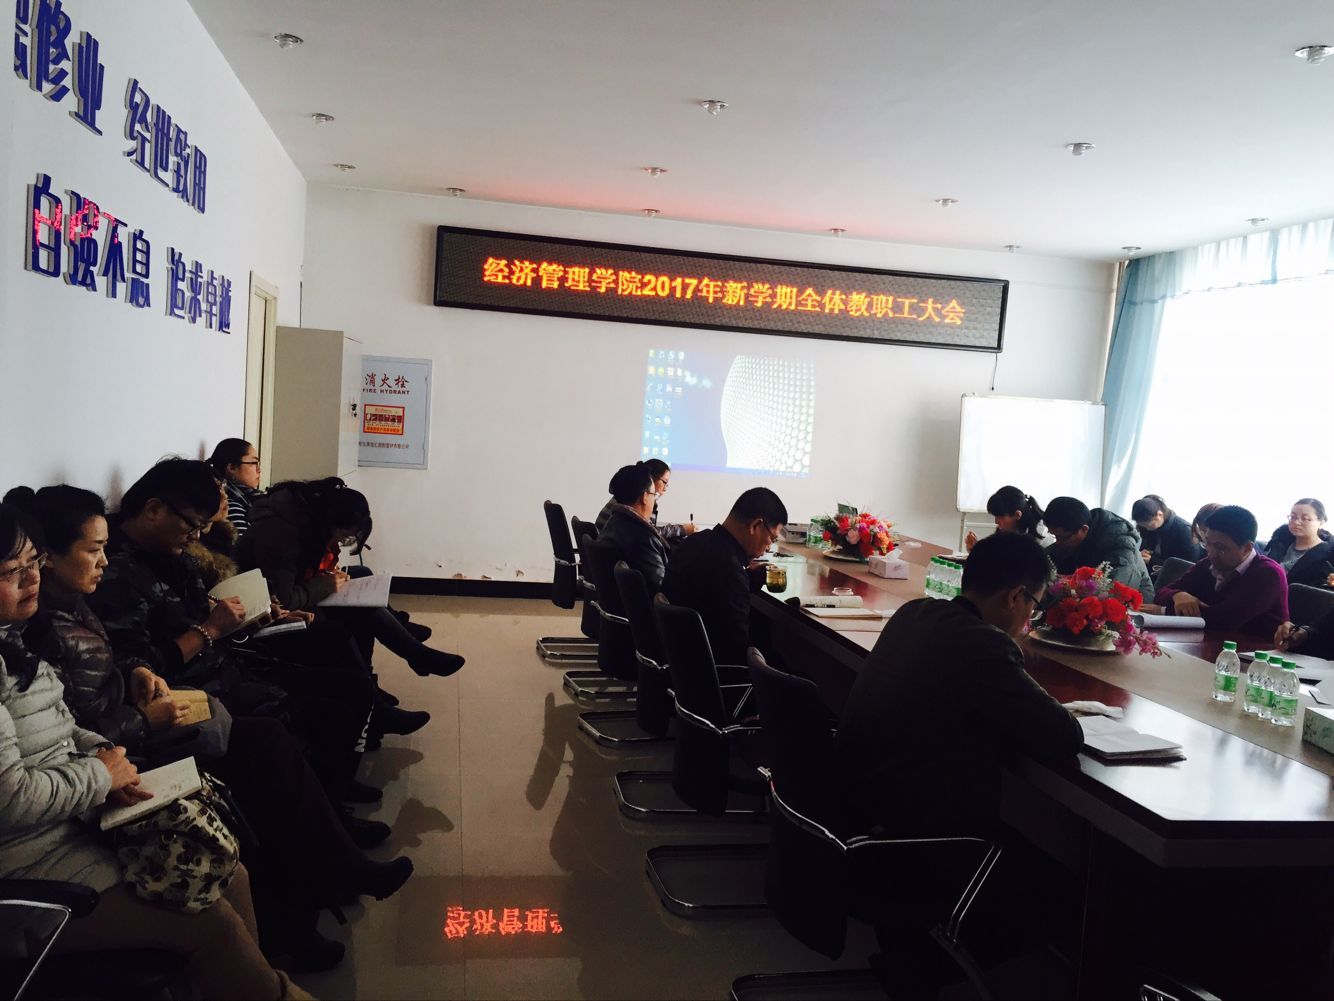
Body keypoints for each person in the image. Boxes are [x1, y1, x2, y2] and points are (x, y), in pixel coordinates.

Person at [13, 484, 412, 971]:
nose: (103, 561)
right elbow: (66, 733)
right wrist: (150, 704)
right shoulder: (55, 621)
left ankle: (328, 869)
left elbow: (109, 673)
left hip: (146, 719)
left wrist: (138, 671)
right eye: (17, 571)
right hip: (120, 753)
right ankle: (301, 909)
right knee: (259, 752)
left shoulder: (76, 604)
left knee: (290, 715)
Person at [0, 503, 312, 1001]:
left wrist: (108, 756)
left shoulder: (18, 640)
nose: (31, 579)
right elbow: (9, 797)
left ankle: (249, 977)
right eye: (11, 572)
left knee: (228, 870)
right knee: (209, 922)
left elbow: (64, 727)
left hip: (78, 821)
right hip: (32, 877)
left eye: (32, 563)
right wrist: (103, 773)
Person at [85, 460, 379, 803]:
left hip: (232, 665)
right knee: (331, 709)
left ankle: (336, 790)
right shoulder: (115, 573)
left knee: (352, 683)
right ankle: (329, 802)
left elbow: (203, 611)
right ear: (154, 510)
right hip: (200, 691)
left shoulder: (174, 554)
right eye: (193, 525)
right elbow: (139, 667)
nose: (197, 536)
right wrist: (210, 629)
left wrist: (255, 615)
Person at [837, 530, 1081, 838]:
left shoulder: (913, 612)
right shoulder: (985, 645)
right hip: (914, 830)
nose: (1028, 621)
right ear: (1015, 596)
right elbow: (1064, 736)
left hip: (848, 799)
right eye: (1033, 606)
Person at [235, 477, 465, 678]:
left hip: (291, 591)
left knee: (362, 580)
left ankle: (399, 648)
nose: (341, 543)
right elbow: (282, 600)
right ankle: (407, 655)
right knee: (363, 610)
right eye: (342, 537)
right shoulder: (282, 536)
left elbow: (301, 570)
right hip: (269, 611)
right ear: (330, 524)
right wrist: (324, 584)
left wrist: (325, 575)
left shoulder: (306, 521)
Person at [662, 487, 786, 666]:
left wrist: (747, 579)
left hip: (680, 662)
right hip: (717, 673)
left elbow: (707, 591)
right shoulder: (730, 570)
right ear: (755, 526)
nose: (768, 548)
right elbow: (737, 653)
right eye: (772, 539)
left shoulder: (694, 542)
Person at [1155, 505, 1288, 637]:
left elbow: (1223, 620)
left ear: (1247, 548)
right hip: (1207, 643)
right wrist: (1178, 595)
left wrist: (1163, 611)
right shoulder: (1208, 563)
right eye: (1207, 543)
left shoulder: (1268, 574)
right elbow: (1161, 594)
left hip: (1255, 648)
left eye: (1221, 548)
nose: (1211, 553)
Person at [1044, 496, 1153, 597]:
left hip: (1135, 601)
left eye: (1062, 537)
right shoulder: (1072, 534)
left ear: (1084, 529)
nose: (1057, 542)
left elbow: (1115, 586)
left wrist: (1069, 584)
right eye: (1054, 536)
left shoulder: (1120, 542)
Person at [597, 464, 670, 591]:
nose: (654, 500)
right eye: (654, 494)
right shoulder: (643, 539)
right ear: (644, 497)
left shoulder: (614, 522)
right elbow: (663, 588)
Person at [1261, 498, 1334, 589]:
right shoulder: (1280, 542)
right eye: (1293, 517)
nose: (1296, 522)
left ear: (1321, 522)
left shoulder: (1328, 556)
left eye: (1305, 518)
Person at [1131, 494, 1203, 572]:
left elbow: (1187, 565)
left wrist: (1153, 561)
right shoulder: (1145, 527)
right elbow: (1146, 546)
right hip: (1153, 569)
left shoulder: (1185, 531)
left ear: (1159, 515)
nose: (1147, 528)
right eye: (1143, 526)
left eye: (1149, 525)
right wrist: (1141, 554)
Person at [208, 437, 264, 539]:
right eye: (254, 463)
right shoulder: (229, 504)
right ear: (232, 468)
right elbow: (243, 546)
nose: (259, 470)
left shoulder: (247, 499)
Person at [964, 485, 1046, 551]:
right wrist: (976, 549)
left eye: (1000, 516)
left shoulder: (1039, 535)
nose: (996, 521)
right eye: (995, 516)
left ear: (1017, 515)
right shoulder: (1005, 531)